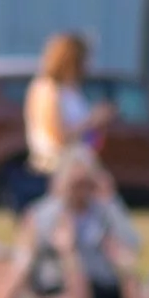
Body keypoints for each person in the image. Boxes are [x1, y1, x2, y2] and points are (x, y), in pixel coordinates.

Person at [25, 148, 144, 298]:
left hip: (101, 283)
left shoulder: (102, 211)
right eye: (76, 183)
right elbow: (27, 258)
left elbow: (132, 243)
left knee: (122, 295)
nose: (81, 190)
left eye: (86, 183)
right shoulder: (44, 215)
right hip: (58, 284)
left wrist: (111, 197)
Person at [23, 32, 105, 197]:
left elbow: (87, 138)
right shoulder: (47, 88)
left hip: (80, 162)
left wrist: (97, 127)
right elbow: (56, 136)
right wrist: (91, 121)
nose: (88, 65)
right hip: (55, 167)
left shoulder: (73, 89)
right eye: (84, 59)